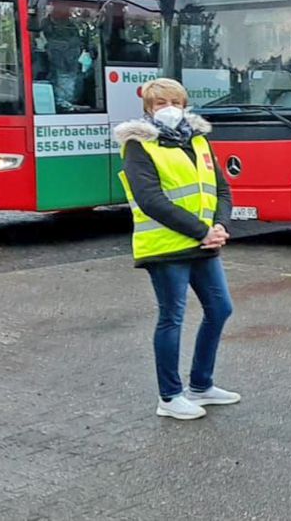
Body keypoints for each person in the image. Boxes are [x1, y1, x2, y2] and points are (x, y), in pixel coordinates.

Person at [114, 78, 239, 421]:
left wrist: (221, 226)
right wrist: (203, 231)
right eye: (159, 104)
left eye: (174, 101)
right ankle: (169, 396)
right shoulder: (138, 146)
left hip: (203, 243)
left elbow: (221, 188)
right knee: (172, 317)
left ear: (185, 105)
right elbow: (150, 199)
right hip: (167, 247)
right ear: (148, 109)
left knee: (220, 309)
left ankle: (201, 384)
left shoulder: (198, 140)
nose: (168, 108)